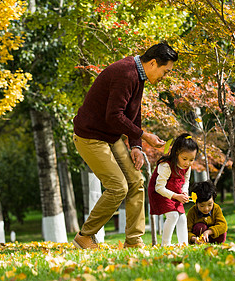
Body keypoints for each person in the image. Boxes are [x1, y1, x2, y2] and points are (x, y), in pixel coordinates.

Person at [72, 42, 178, 249]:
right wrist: (145, 136)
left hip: (110, 138)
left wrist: (136, 146)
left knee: (136, 182)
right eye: (165, 72)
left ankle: (133, 241)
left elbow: (133, 113)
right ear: (154, 63)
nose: (165, 77)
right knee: (118, 187)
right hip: (90, 137)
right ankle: (84, 236)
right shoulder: (126, 74)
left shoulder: (139, 75)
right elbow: (114, 116)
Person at [148, 133, 199, 246]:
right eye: (184, 158)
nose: (187, 163)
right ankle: (165, 245)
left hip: (176, 192)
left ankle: (184, 244)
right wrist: (176, 196)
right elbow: (159, 187)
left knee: (182, 218)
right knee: (173, 216)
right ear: (177, 153)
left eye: (191, 159)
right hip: (160, 192)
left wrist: (184, 192)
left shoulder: (187, 167)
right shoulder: (166, 166)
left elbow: (186, 181)